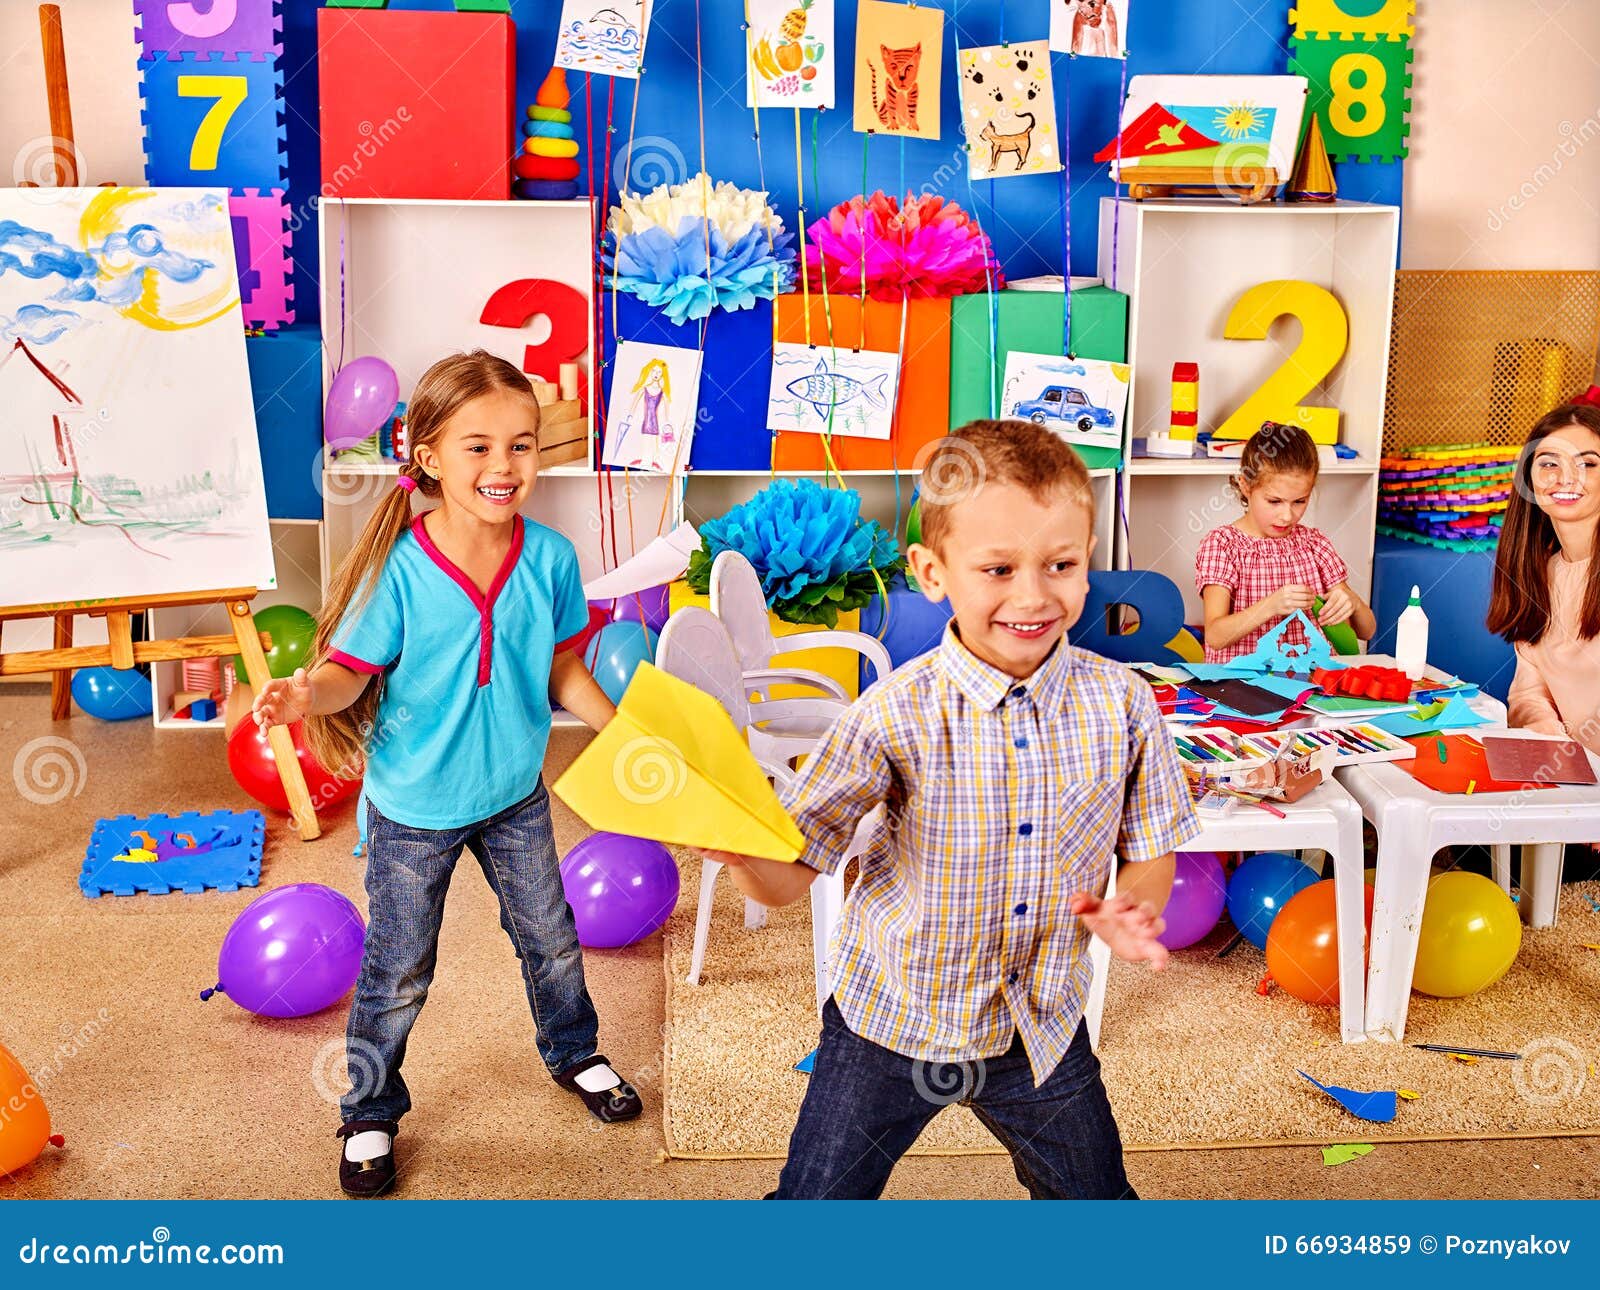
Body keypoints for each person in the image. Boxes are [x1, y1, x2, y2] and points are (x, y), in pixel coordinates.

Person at [702, 419, 1198, 1199]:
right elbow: (791, 873)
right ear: (932, 573)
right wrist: (743, 857)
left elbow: (1152, 844)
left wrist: (1132, 907)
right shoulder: (892, 712)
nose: (1033, 595)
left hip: (1036, 1024)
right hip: (889, 1019)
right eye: (997, 568)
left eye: (1061, 564)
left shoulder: (1126, 705)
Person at [253, 350, 641, 1198]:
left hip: (513, 796)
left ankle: (576, 1053)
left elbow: (564, 671)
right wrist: (302, 694)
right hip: (415, 809)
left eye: (522, 445)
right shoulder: (399, 568)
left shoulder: (549, 558)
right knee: (399, 965)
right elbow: (348, 672)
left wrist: (626, 738)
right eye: (478, 447)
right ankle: (368, 1109)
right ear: (426, 456)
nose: (503, 467)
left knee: (550, 938)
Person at [1196, 421, 1377, 662]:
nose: (1287, 515)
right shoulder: (1223, 545)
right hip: (1246, 687)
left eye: (1299, 501)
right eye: (1274, 501)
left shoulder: (1314, 544)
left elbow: (1368, 631)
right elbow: (1216, 636)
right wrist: (1271, 605)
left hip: (1313, 684)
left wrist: (1352, 602)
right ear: (1245, 485)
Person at [1489, 396, 1600, 756]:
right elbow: (1528, 690)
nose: (1565, 478)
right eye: (1549, 462)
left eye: (1588, 463)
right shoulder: (1539, 571)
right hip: (1574, 779)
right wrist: (1548, 734)